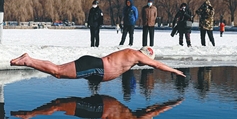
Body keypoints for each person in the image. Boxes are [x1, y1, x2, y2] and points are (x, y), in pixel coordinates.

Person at [10, 46, 186, 82]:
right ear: (147, 55)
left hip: (94, 65)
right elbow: (157, 65)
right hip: (96, 66)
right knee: (58, 71)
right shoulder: (137, 55)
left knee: (58, 70)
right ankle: (28, 60)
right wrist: (175, 71)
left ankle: (29, 60)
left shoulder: (130, 53)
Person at [11, 94, 183, 119]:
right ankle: (30, 113)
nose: (148, 113)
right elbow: (153, 108)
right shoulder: (133, 116)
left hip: (96, 109)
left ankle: (29, 115)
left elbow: (157, 110)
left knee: (58, 105)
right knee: (59, 102)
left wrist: (173, 104)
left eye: (149, 117)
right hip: (96, 103)